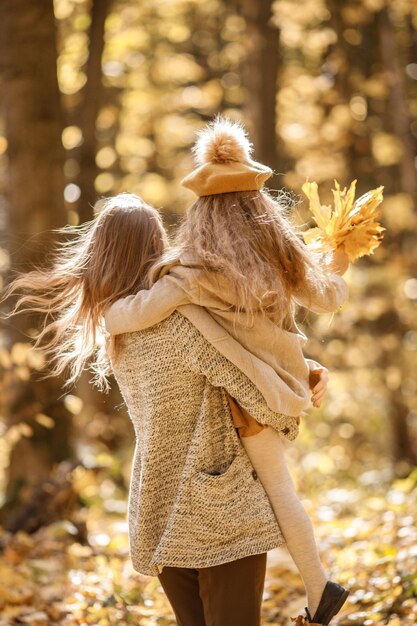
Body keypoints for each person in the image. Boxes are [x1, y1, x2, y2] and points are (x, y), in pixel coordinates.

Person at [4, 193, 314, 626]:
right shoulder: (179, 320)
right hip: (218, 508)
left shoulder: (117, 330)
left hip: (157, 509)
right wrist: (298, 397)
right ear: (155, 247)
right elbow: (251, 388)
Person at [104, 118, 351, 625]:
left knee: (279, 490)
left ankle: (321, 588)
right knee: (282, 490)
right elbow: (327, 296)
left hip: (245, 391)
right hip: (275, 383)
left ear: (201, 211)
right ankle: (317, 585)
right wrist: (339, 261)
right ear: (260, 203)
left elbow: (133, 313)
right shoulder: (282, 255)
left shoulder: (191, 272)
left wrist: (105, 316)